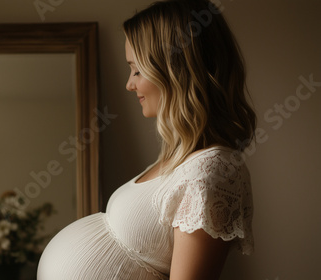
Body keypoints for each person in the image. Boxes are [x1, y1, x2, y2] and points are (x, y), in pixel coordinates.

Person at [37, 0, 256, 279]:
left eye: (137, 70)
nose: (130, 84)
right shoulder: (181, 160)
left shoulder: (213, 171)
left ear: (177, 70)